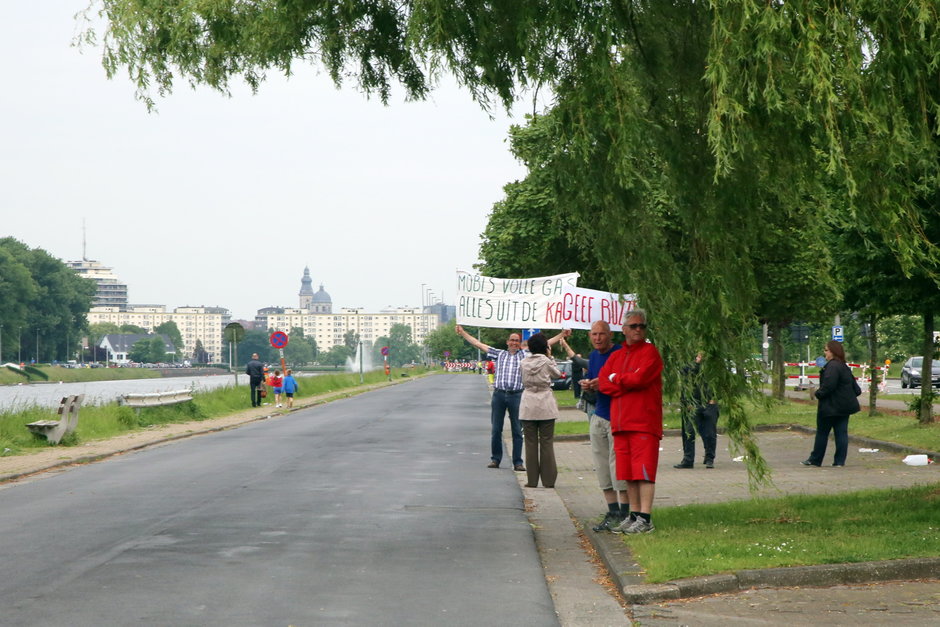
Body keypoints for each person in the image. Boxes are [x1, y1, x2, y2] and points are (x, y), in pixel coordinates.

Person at [456, 325, 568, 471]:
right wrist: (463, 332)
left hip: (517, 395)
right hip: (499, 395)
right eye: (512, 340)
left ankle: (517, 462)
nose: (514, 343)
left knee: (517, 430)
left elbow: (545, 344)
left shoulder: (524, 355)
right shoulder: (499, 354)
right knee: (496, 429)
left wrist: (562, 334)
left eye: (517, 341)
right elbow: (478, 344)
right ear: (507, 342)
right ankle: (495, 459)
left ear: (520, 343)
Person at [598, 309, 663, 534]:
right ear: (624, 329)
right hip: (621, 423)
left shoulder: (650, 352)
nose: (638, 330)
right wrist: (620, 381)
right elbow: (604, 384)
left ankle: (645, 518)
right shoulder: (616, 356)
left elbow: (640, 378)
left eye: (641, 326)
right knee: (628, 474)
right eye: (633, 326)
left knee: (644, 472)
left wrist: (618, 379)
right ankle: (634, 514)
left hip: (643, 422)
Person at [562, 322, 629, 532]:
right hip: (598, 414)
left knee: (617, 467)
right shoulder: (594, 356)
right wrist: (587, 385)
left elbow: (625, 382)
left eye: (601, 334)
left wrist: (603, 383)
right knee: (601, 467)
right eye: (594, 334)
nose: (598, 338)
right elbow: (593, 386)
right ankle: (612, 511)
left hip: (617, 416)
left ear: (610, 335)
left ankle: (625, 513)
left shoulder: (620, 353)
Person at [803, 340, 861, 467]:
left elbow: (828, 386)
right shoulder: (844, 367)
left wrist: (817, 394)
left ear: (833, 351)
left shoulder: (832, 367)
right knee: (841, 433)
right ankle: (839, 461)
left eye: (826, 350)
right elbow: (857, 389)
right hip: (844, 407)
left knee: (822, 433)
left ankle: (815, 459)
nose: (825, 353)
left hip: (830, 407)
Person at [519, 332, 562, 488]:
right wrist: (550, 356)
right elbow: (557, 374)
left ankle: (532, 481)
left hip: (528, 404)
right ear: (545, 347)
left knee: (530, 444)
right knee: (546, 443)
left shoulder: (523, 362)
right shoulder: (546, 361)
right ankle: (549, 480)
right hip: (545, 404)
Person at [674, 352, 720, 469]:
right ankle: (688, 460)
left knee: (710, 433)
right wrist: (697, 362)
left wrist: (713, 399)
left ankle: (710, 459)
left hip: (709, 403)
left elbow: (721, 382)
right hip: (692, 403)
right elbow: (684, 371)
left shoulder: (714, 364)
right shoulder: (690, 362)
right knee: (689, 432)